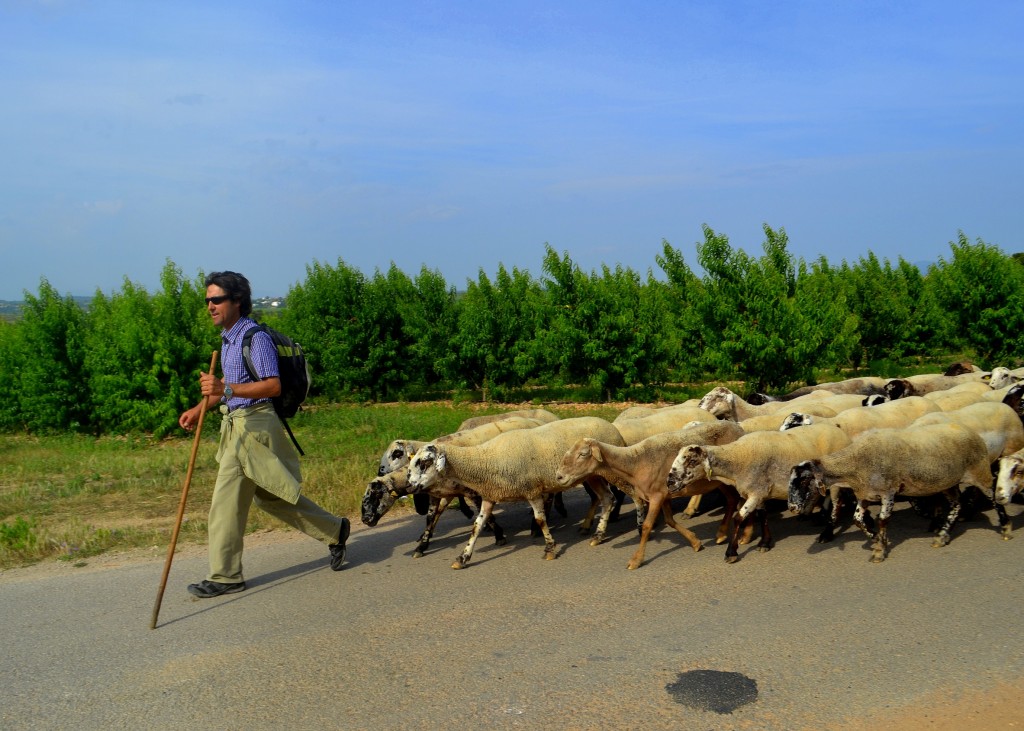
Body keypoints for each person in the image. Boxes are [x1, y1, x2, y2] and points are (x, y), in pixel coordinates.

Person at [178, 271, 350, 598]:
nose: (210, 306)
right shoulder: (228, 338)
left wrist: (225, 389)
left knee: (225, 503)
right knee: (271, 496)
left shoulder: (254, 338)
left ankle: (226, 576)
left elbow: (272, 386)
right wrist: (199, 408)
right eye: (207, 300)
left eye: (216, 300)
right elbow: (228, 389)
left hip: (254, 427)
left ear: (236, 301)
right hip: (238, 426)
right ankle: (334, 529)